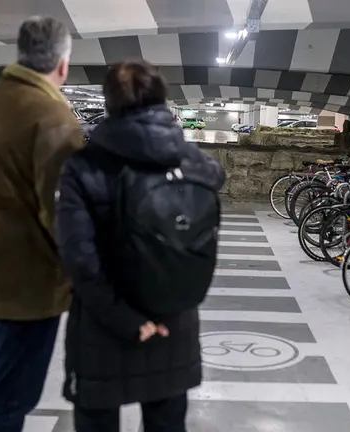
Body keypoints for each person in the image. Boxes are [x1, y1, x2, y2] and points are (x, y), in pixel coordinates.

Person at [55, 60, 225, 432]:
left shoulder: (85, 167)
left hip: (103, 328)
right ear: (161, 97)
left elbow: (80, 258)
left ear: (109, 102)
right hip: (173, 320)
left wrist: (127, 321)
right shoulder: (191, 161)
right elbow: (216, 176)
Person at [0, 16, 83, 432]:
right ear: (62, 63)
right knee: (11, 401)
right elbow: (63, 213)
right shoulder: (53, 117)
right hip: (29, 286)